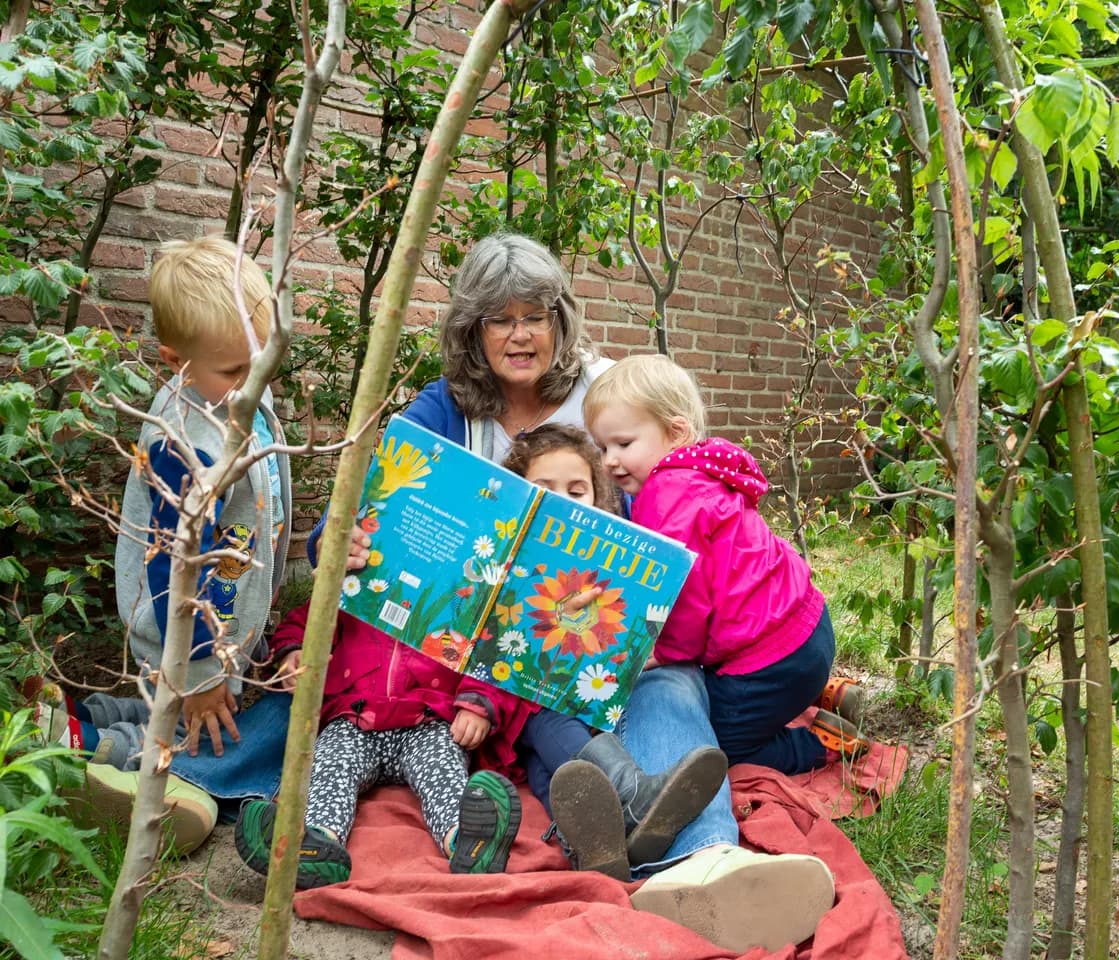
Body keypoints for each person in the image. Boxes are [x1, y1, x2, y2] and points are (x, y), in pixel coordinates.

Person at [309, 233, 836, 953]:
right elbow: (360, 507)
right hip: (499, 651)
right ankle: (626, 829)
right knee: (540, 723)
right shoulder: (443, 411)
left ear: (561, 319)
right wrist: (343, 542)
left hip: (628, 633)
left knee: (668, 687)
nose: (520, 334)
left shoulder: (608, 389)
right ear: (472, 330)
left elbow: (685, 496)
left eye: (536, 315)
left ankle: (706, 860)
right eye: (499, 319)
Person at [34, 237, 293, 853]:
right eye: (234, 371)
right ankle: (118, 761)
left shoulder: (241, 401)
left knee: (185, 710)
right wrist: (201, 668)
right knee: (211, 724)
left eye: (263, 361)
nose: (252, 380)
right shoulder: (186, 441)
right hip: (189, 632)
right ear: (175, 361)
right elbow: (171, 568)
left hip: (223, 621)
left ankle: (89, 720)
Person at [583, 353, 867, 775]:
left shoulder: (667, 497)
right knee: (742, 697)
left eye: (623, 444)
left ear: (676, 432)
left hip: (770, 658)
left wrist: (664, 652)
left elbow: (686, 597)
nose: (609, 460)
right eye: (603, 447)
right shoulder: (702, 471)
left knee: (712, 742)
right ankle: (823, 693)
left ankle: (820, 744)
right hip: (806, 630)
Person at [501, 424, 727, 880]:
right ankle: (634, 794)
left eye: (576, 490)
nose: (561, 501)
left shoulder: (604, 558)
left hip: (588, 700)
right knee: (546, 717)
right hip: (519, 700)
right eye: (543, 490)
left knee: (560, 773)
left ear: (596, 500)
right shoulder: (501, 555)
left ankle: (593, 849)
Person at [234, 602, 526, 888]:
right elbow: (308, 617)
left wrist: (477, 703)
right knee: (330, 766)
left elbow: (494, 653)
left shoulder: (471, 599)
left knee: (442, 772)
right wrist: (294, 650)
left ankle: (468, 844)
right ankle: (316, 844)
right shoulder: (357, 587)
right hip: (355, 717)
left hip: (428, 720)